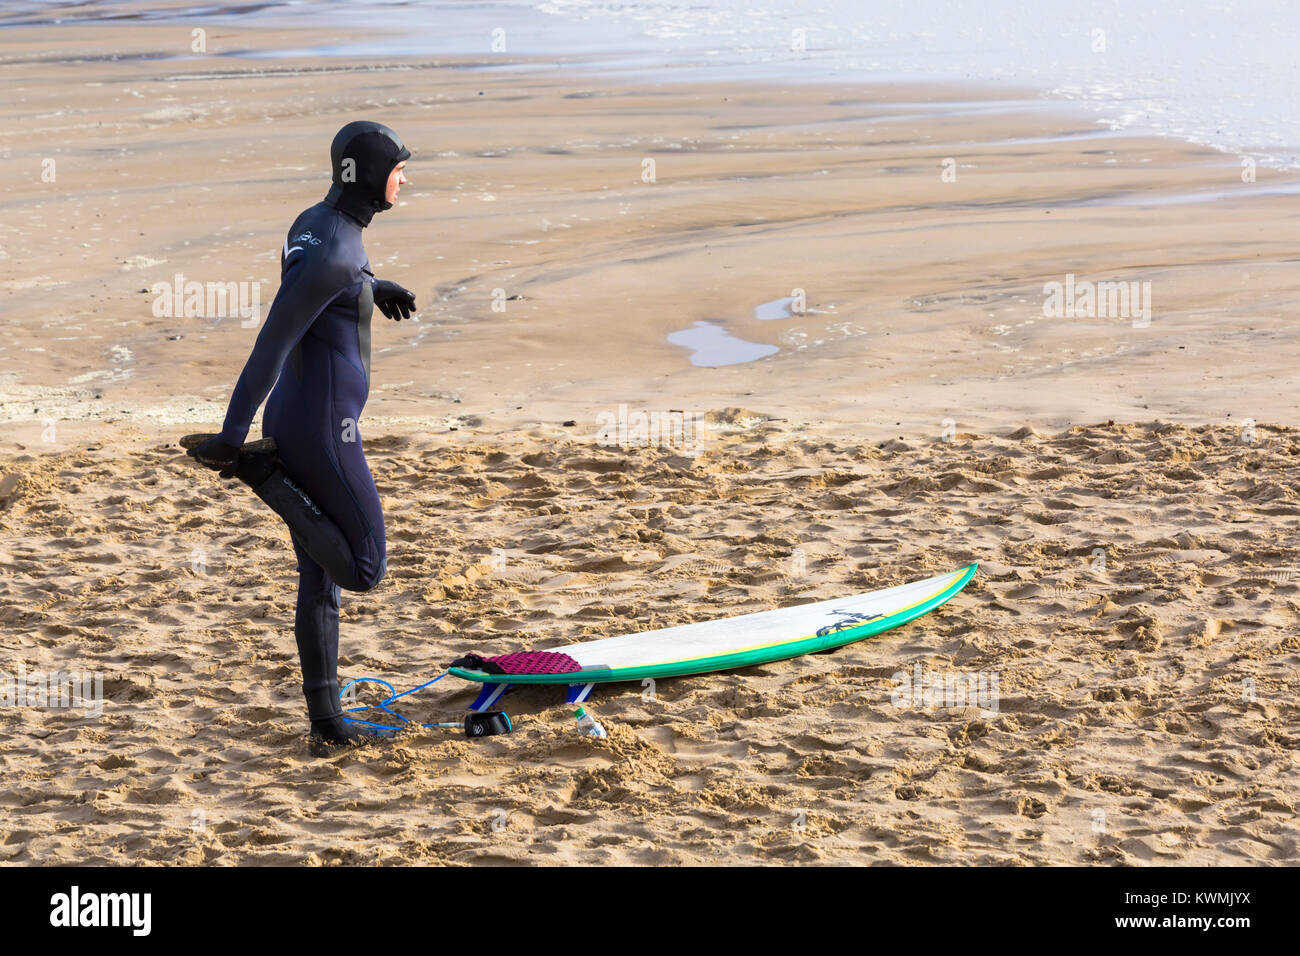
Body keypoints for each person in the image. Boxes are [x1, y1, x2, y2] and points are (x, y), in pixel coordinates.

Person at [186, 121, 418, 756]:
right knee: (365, 567)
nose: (405, 176)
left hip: (300, 416)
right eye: (398, 166)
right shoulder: (335, 253)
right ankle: (262, 476)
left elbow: (326, 285)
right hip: (322, 431)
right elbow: (274, 341)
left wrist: (372, 288)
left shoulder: (316, 223)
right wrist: (233, 440)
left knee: (319, 579)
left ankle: (325, 722)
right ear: (369, 175)